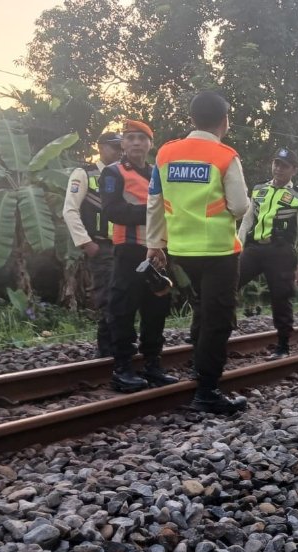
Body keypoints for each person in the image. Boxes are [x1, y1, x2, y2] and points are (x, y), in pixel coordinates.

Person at [147, 91, 250, 415]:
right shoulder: (224, 156)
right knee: (217, 319)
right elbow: (240, 205)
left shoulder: (166, 154)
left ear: (191, 119)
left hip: (180, 249)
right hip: (218, 251)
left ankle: (198, 369)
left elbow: (154, 202)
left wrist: (155, 243)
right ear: (224, 121)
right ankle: (207, 390)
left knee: (201, 310)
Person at [100, 119, 180, 392]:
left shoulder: (160, 172)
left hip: (158, 252)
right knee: (122, 309)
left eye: (141, 138)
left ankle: (153, 364)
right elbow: (113, 210)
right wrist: (153, 212)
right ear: (122, 143)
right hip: (129, 251)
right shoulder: (113, 173)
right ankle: (122, 368)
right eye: (130, 138)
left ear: (150, 143)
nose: (136, 143)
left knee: (156, 309)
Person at [236, 147, 298, 359]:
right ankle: (218, 327)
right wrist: (237, 248)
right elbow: (246, 222)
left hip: (281, 252)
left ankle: (283, 345)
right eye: (276, 163)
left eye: (284, 166)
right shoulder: (259, 190)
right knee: (227, 282)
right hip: (254, 249)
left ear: (293, 170)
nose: (278, 168)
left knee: (281, 297)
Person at [62, 131, 123, 358]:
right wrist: (86, 243)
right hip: (101, 246)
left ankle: (118, 345)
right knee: (108, 296)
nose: (118, 152)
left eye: (120, 148)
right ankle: (108, 347)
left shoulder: (123, 174)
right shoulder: (84, 174)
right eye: (114, 147)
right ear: (101, 147)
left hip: (125, 245)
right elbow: (69, 210)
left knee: (124, 295)